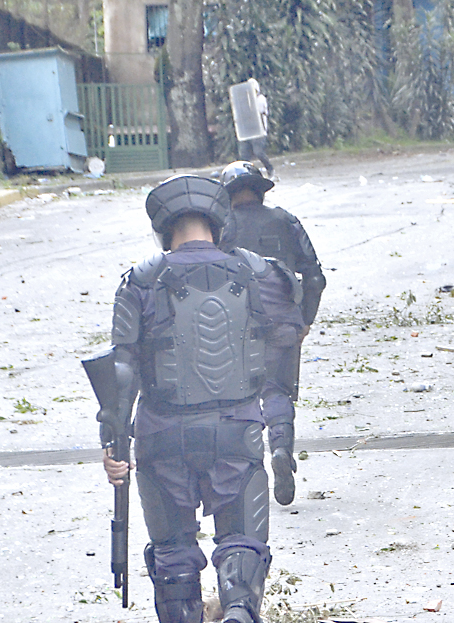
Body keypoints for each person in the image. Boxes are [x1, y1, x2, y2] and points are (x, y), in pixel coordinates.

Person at [99, 175, 304, 623]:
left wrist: (112, 446)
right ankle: (238, 610)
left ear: (163, 226)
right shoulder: (260, 272)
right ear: (219, 222)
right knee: (242, 541)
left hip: (161, 435)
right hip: (236, 430)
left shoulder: (139, 281)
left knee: (173, 553)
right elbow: (291, 324)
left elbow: (121, 369)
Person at [219, 161, 327, 506]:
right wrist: (305, 319)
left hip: (233, 327)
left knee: (235, 400)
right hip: (282, 322)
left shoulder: (219, 228)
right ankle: (280, 447)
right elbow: (314, 277)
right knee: (276, 390)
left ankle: (243, 477)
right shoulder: (285, 221)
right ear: (260, 189)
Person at [238, 80, 275, 179]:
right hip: (246, 131)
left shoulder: (260, 99)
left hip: (259, 131)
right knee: (244, 156)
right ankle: (247, 174)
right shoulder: (245, 100)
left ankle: (270, 169)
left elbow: (256, 111)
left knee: (258, 152)